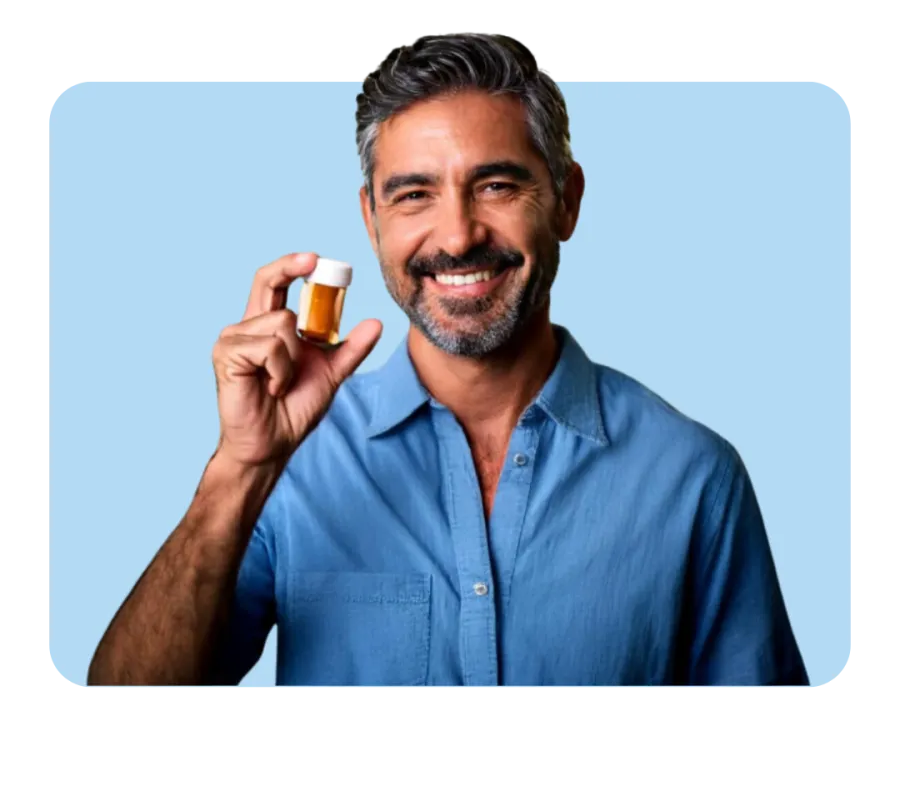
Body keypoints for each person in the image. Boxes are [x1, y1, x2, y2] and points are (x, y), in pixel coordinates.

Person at [87, 36, 810, 687]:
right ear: (372, 220)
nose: (458, 235)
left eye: (497, 185)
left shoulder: (693, 478)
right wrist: (240, 470)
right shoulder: (290, 463)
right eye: (414, 195)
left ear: (566, 200)